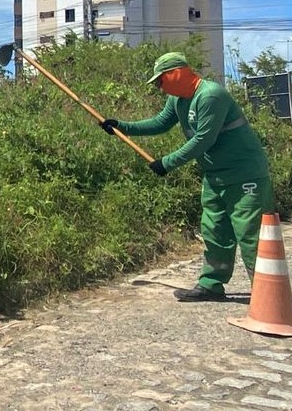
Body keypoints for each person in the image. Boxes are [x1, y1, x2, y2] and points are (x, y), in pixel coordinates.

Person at [99, 51, 273, 302]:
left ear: (177, 73)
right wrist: (122, 127)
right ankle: (211, 285)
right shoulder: (178, 99)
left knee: (250, 233)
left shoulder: (211, 95)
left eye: (161, 81)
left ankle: (268, 294)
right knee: (214, 231)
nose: (160, 88)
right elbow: (160, 123)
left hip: (245, 174)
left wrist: (166, 163)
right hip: (215, 175)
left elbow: (204, 139)